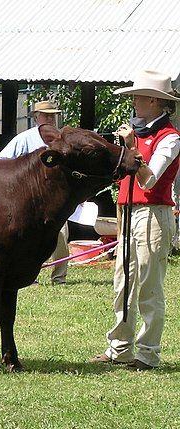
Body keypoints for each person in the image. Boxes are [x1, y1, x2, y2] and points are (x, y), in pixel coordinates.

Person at [90, 70, 180, 371]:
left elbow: (149, 180)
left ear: (154, 101)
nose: (134, 103)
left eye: (138, 97)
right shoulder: (141, 134)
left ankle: (148, 353)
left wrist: (130, 149)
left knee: (148, 286)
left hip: (153, 214)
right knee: (123, 282)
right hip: (128, 212)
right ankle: (120, 348)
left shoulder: (170, 138)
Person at [0, 100, 69, 284]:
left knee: (61, 234)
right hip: (29, 199)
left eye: (53, 115)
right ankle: (30, 276)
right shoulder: (25, 138)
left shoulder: (63, 139)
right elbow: (2, 161)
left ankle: (60, 276)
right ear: (36, 117)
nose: (50, 119)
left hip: (57, 197)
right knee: (28, 239)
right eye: (46, 115)